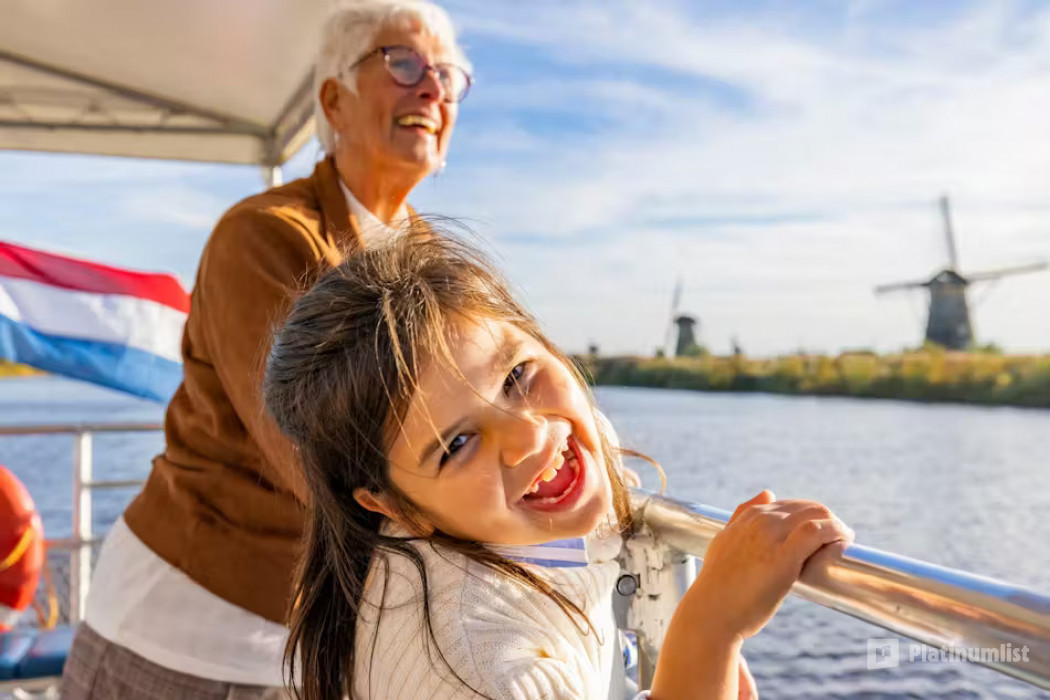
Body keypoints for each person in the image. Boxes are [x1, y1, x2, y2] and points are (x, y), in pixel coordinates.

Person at [60, 2, 473, 698]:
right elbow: (315, 454)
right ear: (333, 101)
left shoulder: (434, 257)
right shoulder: (263, 238)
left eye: (447, 75)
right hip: (183, 629)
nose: (431, 89)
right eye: (403, 64)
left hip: (314, 640)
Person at [263, 231, 855, 700]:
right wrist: (709, 631)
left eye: (517, 373)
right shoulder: (487, 673)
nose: (531, 435)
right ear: (390, 505)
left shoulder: (559, 453)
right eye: (457, 444)